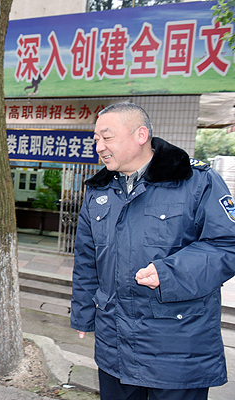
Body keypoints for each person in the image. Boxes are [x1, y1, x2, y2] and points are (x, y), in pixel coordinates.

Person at [71, 102, 235, 400]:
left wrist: (169, 273)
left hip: (177, 346)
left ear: (141, 135)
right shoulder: (99, 191)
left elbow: (227, 244)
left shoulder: (196, 181)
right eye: (96, 139)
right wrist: (83, 313)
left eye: (107, 137)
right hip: (115, 344)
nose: (99, 147)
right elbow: (86, 259)